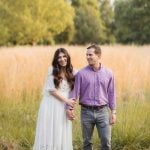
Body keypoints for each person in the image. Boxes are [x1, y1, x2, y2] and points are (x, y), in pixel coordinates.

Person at [67, 44, 117, 150]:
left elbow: (111, 93)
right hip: (86, 112)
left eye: (90, 55)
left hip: (103, 111)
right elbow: (74, 93)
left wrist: (113, 112)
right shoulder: (81, 74)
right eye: (87, 55)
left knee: (106, 141)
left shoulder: (109, 73)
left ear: (98, 56)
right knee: (87, 142)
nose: (88, 57)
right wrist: (69, 109)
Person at [33, 48, 76, 150]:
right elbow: (51, 90)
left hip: (63, 106)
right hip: (51, 104)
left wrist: (69, 105)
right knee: (49, 130)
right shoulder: (51, 70)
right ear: (56, 60)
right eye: (59, 57)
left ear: (68, 57)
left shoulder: (72, 71)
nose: (62, 59)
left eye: (64, 56)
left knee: (61, 129)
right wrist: (67, 101)